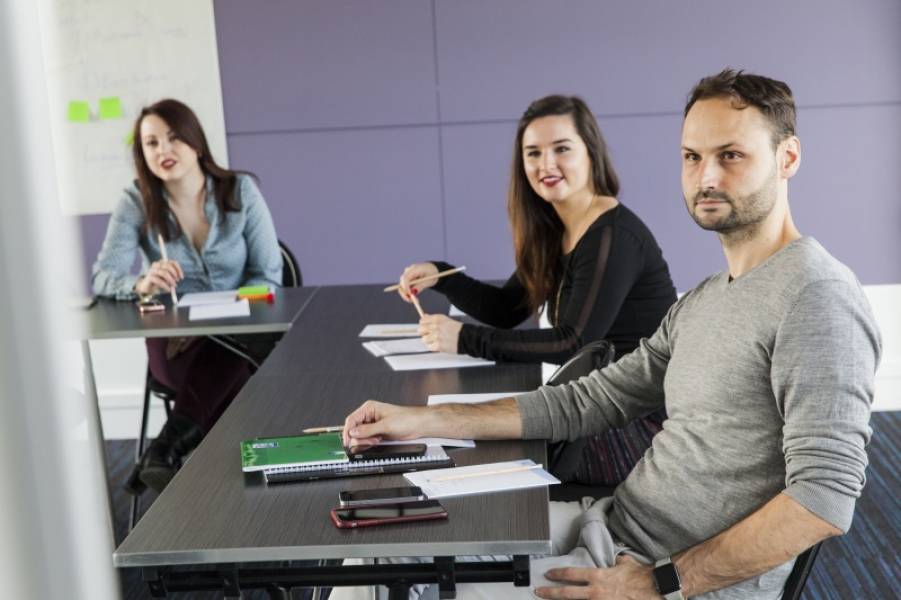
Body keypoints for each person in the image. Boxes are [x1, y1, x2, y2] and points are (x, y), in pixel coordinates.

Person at [335, 69, 881, 600]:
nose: (706, 177)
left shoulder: (817, 297)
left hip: (658, 578)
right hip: (607, 531)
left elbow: (823, 498)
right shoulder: (708, 296)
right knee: (378, 544)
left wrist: (660, 583)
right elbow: (590, 400)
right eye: (692, 157)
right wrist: (423, 420)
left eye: (731, 155)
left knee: (396, 585)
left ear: (788, 157)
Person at [398, 95, 677, 484]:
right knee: (457, 444)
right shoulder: (557, 228)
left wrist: (465, 339)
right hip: (587, 408)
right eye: (533, 153)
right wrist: (443, 277)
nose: (546, 164)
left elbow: (573, 342)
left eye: (561, 149)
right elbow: (507, 308)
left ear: (590, 153)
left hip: (635, 429)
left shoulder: (612, 235)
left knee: (472, 455)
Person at [92, 98, 282, 494]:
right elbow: (103, 277)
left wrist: (233, 305)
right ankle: (226, 491)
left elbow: (268, 276)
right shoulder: (136, 201)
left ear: (195, 142)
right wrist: (140, 285)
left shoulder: (240, 190)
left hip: (240, 332)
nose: (163, 150)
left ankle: (167, 449)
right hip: (176, 344)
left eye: (173, 137)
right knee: (238, 369)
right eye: (151, 143)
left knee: (231, 348)